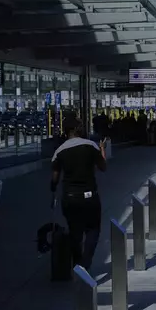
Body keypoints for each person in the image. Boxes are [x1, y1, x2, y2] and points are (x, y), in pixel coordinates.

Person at [51, 116, 107, 271]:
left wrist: (53, 188)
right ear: (75, 129)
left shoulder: (59, 151)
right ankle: (85, 263)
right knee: (93, 229)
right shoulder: (90, 145)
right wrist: (102, 148)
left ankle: (77, 263)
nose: (83, 128)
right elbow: (103, 166)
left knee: (75, 231)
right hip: (90, 197)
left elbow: (55, 176)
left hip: (70, 198)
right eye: (80, 125)